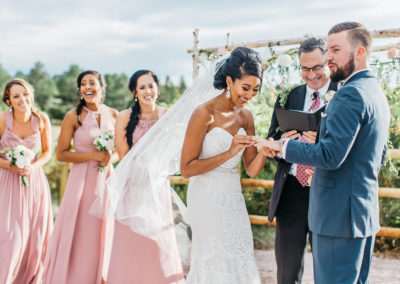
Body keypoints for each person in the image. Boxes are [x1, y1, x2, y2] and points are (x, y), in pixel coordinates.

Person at [258, 22, 390, 283]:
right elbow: (373, 154)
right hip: (356, 212)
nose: (329, 57)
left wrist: (283, 147)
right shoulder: (374, 91)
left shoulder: (348, 94)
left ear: (360, 52)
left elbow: (330, 156)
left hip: (337, 214)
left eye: (335, 50)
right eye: (328, 50)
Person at [180, 46, 268, 284]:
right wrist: (229, 152)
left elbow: (251, 168)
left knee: (239, 255)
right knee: (215, 260)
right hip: (205, 196)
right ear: (230, 81)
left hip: (232, 196)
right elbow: (186, 168)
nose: (249, 95)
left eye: (255, 89)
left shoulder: (245, 117)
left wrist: (266, 152)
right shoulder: (203, 114)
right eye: (245, 88)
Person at [267, 38, 337, 284]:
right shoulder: (288, 96)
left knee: (328, 270)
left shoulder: (343, 95)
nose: (311, 75)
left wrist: (323, 140)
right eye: (305, 69)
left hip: (327, 191)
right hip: (291, 191)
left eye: (317, 67)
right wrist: (281, 142)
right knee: (287, 272)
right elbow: (271, 140)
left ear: (328, 62)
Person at [43, 70, 118, 284]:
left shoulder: (114, 114)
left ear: (102, 88)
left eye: (92, 83)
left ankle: (101, 275)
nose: (87, 87)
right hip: (81, 181)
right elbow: (61, 154)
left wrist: (110, 158)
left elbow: (122, 148)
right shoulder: (73, 116)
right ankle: (75, 277)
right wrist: (92, 155)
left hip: (106, 179)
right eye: (83, 83)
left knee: (102, 226)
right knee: (81, 228)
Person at [106, 70, 176, 284]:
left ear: (157, 88)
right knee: (131, 239)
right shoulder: (124, 116)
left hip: (157, 186)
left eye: (151, 85)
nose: (148, 91)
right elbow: (124, 157)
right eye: (142, 87)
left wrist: (155, 168)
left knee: (157, 238)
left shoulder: (167, 115)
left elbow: (172, 152)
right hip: (133, 186)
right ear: (135, 92)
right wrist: (141, 168)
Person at [0, 78, 53, 284]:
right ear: (9, 101)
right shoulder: (3, 119)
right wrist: (10, 166)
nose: (22, 98)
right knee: (9, 236)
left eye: (25, 93)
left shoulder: (42, 119)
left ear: (31, 94)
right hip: (7, 183)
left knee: (35, 237)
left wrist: (33, 166)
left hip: (34, 182)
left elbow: (48, 152)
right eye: (16, 96)